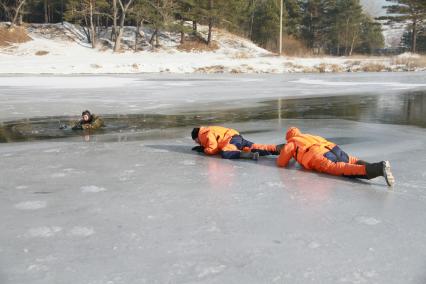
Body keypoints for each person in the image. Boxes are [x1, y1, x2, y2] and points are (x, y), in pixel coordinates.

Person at [276, 127, 395, 186]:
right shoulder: (309, 135)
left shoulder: (292, 143)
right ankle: (374, 166)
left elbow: (282, 162)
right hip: (332, 147)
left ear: (289, 137)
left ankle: (377, 169)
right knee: (350, 160)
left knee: (339, 168)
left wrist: (291, 156)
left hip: (317, 155)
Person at [191, 126, 284, 160]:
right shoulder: (208, 129)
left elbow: (213, 148)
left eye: (196, 141)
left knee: (226, 153)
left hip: (231, 139)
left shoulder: (204, 134)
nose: (197, 143)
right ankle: (279, 149)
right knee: (255, 147)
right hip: (236, 137)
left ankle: (249, 155)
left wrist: (204, 149)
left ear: (197, 137)